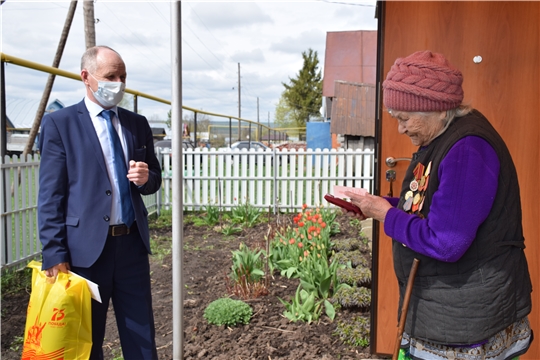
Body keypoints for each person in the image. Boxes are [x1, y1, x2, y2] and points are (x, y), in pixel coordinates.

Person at [346, 50, 533, 359]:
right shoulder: (444, 136)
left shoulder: (468, 149)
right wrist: (377, 206)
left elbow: (446, 241)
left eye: (404, 118)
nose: (400, 129)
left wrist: (385, 213)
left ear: (435, 109)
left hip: (466, 321)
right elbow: (437, 207)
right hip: (455, 310)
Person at [38, 45, 161, 359]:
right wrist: (54, 253)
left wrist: (147, 178)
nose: (118, 83)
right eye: (111, 76)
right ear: (86, 77)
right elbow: (51, 196)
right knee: (85, 342)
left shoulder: (137, 124)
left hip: (131, 246)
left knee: (142, 337)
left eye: (122, 76)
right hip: (84, 254)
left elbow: (154, 180)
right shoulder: (60, 124)